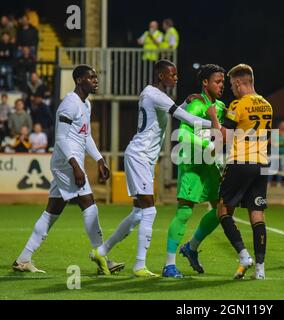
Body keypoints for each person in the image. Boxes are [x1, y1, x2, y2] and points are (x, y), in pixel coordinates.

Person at [92, 59, 212, 277]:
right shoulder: (154, 94)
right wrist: (216, 124)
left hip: (143, 157)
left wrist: (184, 102)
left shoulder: (154, 94)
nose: (176, 78)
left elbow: (172, 112)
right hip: (140, 155)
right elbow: (184, 117)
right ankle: (139, 266)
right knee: (149, 210)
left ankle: (102, 251)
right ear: (160, 76)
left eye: (176, 74)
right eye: (172, 75)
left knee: (139, 213)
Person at [12, 65, 123, 274]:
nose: (95, 81)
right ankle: (102, 258)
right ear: (79, 80)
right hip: (66, 164)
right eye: (91, 78)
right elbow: (61, 138)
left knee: (52, 211)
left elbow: (85, 135)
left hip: (71, 163)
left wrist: (99, 159)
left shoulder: (86, 105)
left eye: (96, 77)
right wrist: (76, 166)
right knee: (89, 205)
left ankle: (23, 259)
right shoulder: (69, 104)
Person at [206, 63, 272, 280]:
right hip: (262, 163)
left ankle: (244, 256)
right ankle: (260, 270)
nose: (231, 90)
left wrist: (214, 117)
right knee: (257, 214)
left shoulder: (238, 105)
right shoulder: (267, 105)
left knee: (223, 210)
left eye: (233, 85)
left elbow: (223, 137)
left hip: (240, 162)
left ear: (239, 83)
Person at [162, 64, 226, 278]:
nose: (221, 85)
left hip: (210, 164)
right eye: (217, 81)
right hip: (191, 162)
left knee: (222, 210)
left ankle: (191, 247)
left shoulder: (221, 107)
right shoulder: (196, 104)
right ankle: (169, 265)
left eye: (223, 82)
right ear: (205, 82)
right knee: (185, 210)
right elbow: (182, 135)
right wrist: (208, 147)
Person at [268, 120, 284, 187]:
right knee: (272, 167)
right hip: (274, 153)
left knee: (280, 168)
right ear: (279, 125)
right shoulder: (274, 132)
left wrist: (280, 144)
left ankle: (279, 182)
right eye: (281, 125)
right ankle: (269, 182)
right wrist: (275, 144)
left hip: (283, 154)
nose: (283, 127)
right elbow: (269, 141)